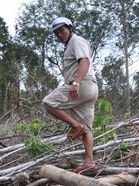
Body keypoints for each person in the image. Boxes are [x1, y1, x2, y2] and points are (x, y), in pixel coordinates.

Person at [42, 17, 99, 174]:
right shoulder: (70, 45)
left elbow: (85, 62)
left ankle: (75, 126)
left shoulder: (77, 41)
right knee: (87, 129)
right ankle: (89, 162)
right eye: (57, 33)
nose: (60, 34)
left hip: (82, 84)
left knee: (48, 103)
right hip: (90, 88)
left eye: (62, 30)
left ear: (70, 28)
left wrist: (76, 82)